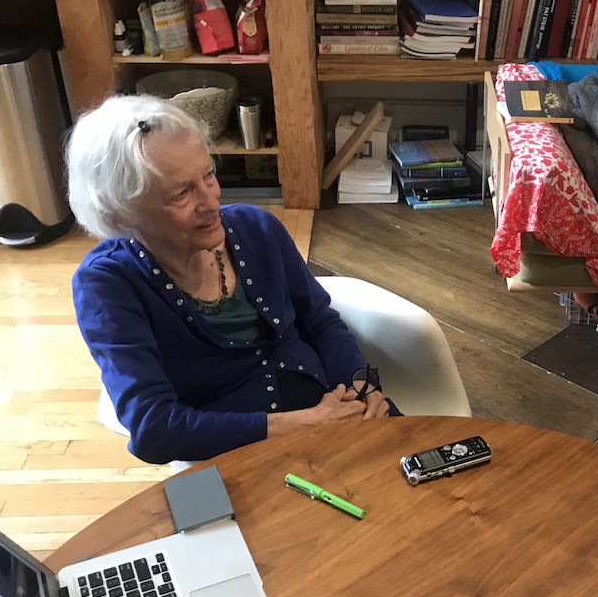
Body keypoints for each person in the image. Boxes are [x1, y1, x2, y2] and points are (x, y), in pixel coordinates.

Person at [67, 94, 393, 464]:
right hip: (239, 457)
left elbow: (320, 323)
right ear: (121, 212)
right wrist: (305, 424)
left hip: (337, 415)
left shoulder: (258, 227)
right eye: (181, 193)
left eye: (208, 175)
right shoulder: (107, 285)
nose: (211, 201)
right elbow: (154, 428)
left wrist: (360, 388)